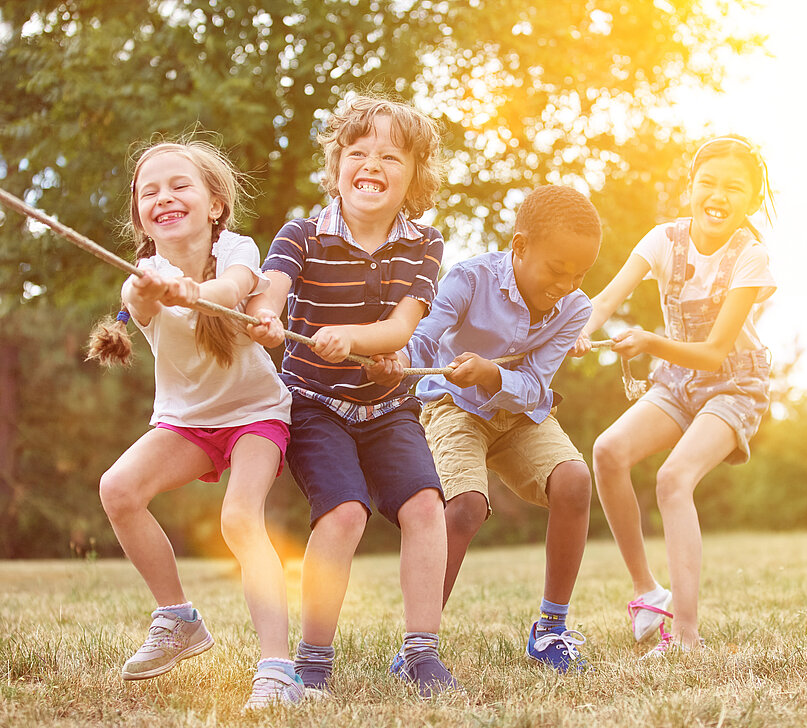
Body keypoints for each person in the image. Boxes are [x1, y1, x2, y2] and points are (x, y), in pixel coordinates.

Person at [245, 94, 459, 698]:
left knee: (425, 509)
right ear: (336, 164)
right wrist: (262, 314)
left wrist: (351, 337)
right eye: (358, 152)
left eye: (392, 156)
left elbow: (400, 328)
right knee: (343, 513)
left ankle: (421, 653)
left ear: (415, 175)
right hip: (315, 403)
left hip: (388, 407)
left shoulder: (425, 242)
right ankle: (313, 663)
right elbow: (272, 287)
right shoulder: (303, 233)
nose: (373, 164)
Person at [87, 139, 302, 709]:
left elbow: (232, 289)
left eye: (179, 185)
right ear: (139, 214)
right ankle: (177, 617)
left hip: (256, 414)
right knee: (119, 488)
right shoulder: (143, 274)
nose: (164, 197)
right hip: (187, 424)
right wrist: (156, 290)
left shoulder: (238, 248)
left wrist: (196, 292)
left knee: (239, 519)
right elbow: (138, 297)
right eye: (149, 191)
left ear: (214, 204)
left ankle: (279, 670)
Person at [370, 185, 602, 673]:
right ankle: (419, 646)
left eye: (578, 274)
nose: (565, 283)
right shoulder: (469, 278)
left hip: (520, 415)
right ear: (519, 247)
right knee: (466, 507)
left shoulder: (575, 309)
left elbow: (537, 387)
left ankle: (551, 630)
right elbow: (425, 335)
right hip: (454, 407)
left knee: (575, 481)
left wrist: (493, 375)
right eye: (556, 270)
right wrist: (398, 360)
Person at [572, 135, 776, 658]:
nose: (718, 194)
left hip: (733, 382)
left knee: (672, 478)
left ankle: (686, 634)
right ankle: (647, 593)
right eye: (707, 182)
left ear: (751, 200)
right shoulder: (663, 240)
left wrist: (648, 340)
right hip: (677, 383)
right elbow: (606, 298)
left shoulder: (751, 258)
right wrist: (580, 328)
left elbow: (712, 353)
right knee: (608, 451)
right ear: (690, 189)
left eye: (734, 187)